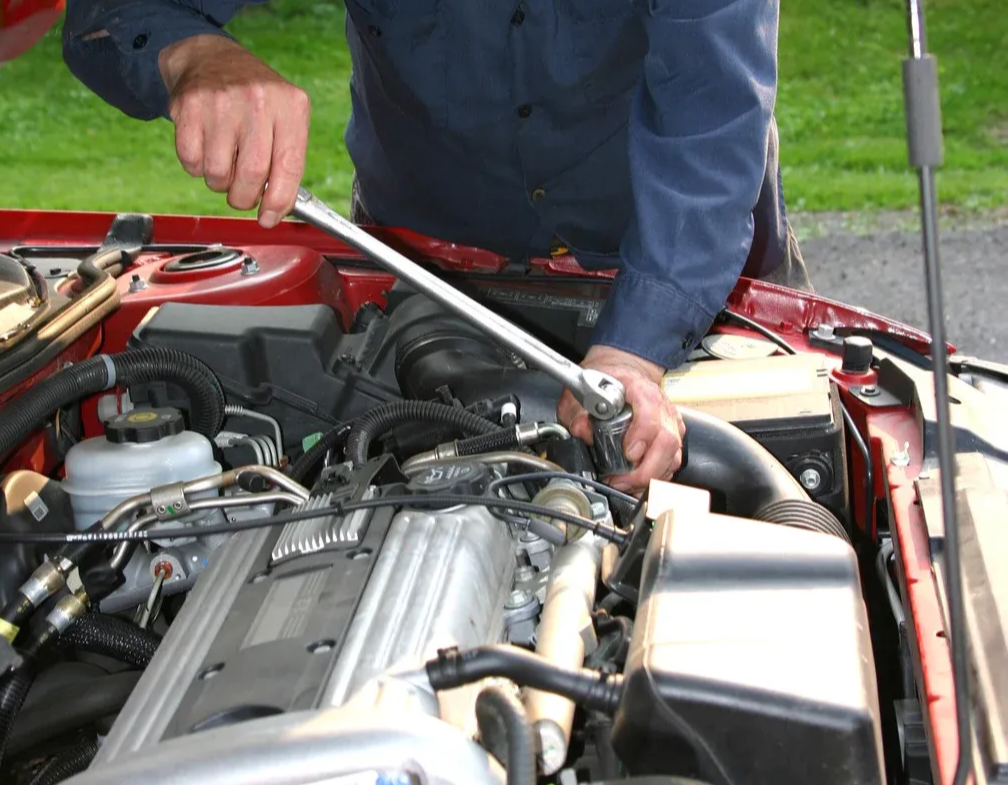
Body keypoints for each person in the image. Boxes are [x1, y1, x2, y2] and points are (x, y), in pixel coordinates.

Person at [62, 0, 810, 492]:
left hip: (679, 270)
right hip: (429, 269)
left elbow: (709, 116)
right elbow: (112, 13)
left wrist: (632, 355)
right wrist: (194, 55)